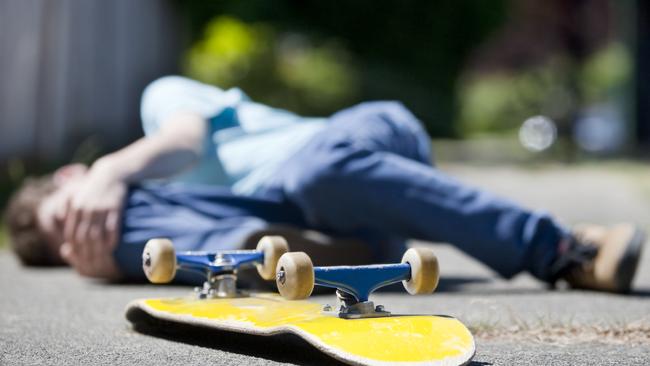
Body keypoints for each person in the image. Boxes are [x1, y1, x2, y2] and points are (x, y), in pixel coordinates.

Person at [5, 76, 645, 292]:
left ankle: (561, 248)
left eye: (75, 210)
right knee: (141, 239)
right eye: (70, 240)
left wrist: (113, 174)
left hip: (363, 143)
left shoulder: (160, 104)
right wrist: (119, 260)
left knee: (316, 174)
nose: (86, 223)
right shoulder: (144, 217)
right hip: (348, 229)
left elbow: (184, 143)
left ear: (72, 176)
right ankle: (281, 257)